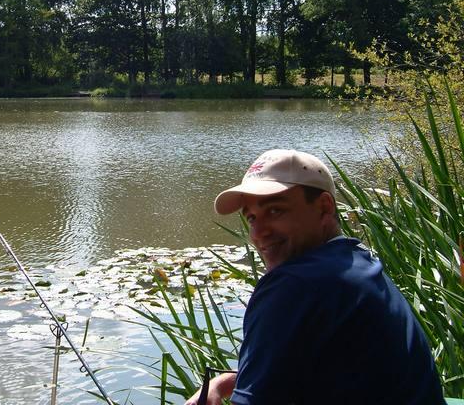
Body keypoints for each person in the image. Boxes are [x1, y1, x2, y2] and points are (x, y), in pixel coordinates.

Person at [186, 149, 445, 405]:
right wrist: (225, 382)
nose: (259, 232)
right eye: (252, 218)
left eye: (275, 211)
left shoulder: (294, 284)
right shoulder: (357, 261)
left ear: (324, 207)